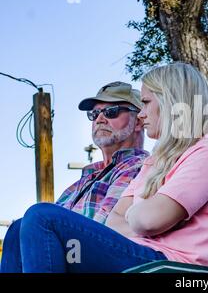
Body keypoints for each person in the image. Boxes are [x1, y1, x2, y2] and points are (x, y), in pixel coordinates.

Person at [2, 62, 208, 272]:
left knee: (41, 217)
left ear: (172, 102)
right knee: (16, 230)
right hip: (140, 255)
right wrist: (142, 216)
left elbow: (148, 219)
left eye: (146, 103)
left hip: (169, 265)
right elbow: (114, 221)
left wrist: (139, 214)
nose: (142, 114)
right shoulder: (158, 160)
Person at [1, 81, 149, 272]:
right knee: (17, 229)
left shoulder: (139, 167)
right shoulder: (86, 177)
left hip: (105, 257)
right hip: (72, 253)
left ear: (138, 121)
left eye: (111, 111)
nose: (100, 119)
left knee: (39, 215)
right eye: (94, 114)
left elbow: (105, 227)